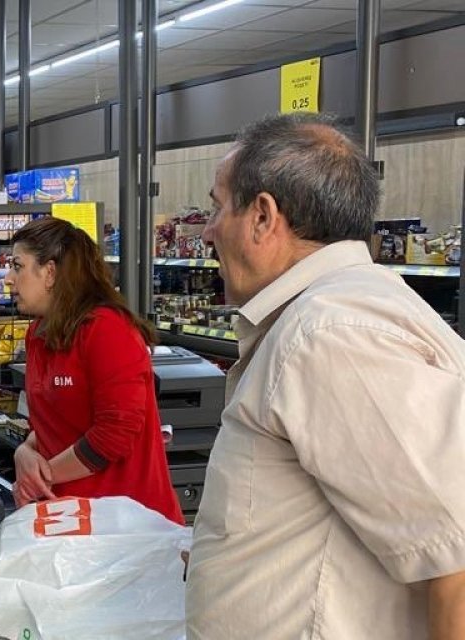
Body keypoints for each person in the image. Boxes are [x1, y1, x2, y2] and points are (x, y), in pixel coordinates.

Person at [186, 112, 465, 639]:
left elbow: (456, 558)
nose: (206, 230)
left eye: (216, 206)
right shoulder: (330, 315)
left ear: (263, 216)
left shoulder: (331, 335)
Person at [2, 216, 183, 524]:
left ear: (50, 273)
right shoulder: (38, 333)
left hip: (126, 527)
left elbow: (115, 433)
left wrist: (42, 477)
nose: (8, 278)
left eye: (17, 266)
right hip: (68, 519)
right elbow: (56, 422)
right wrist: (25, 451)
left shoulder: (107, 329)